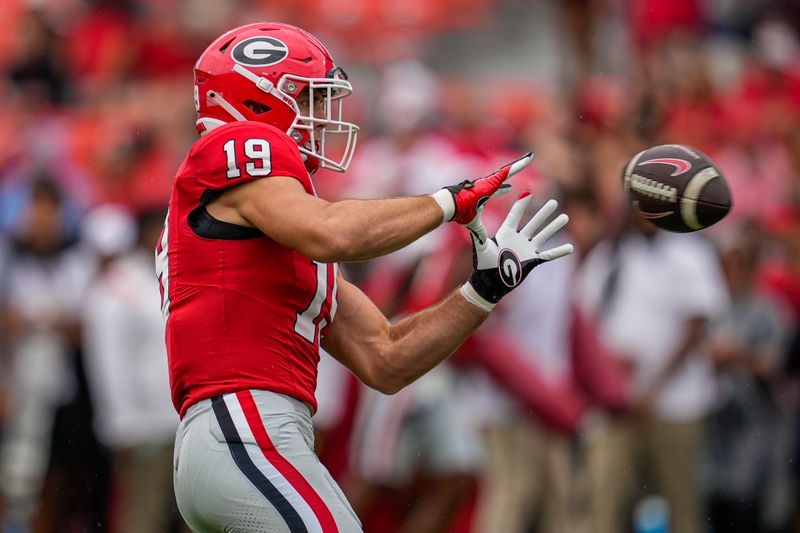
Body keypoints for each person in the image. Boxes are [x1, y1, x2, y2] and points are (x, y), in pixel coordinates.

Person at [158, 22, 574, 532]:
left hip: (247, 434)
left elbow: (386, 358)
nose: (320, 118)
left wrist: (481, 291)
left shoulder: (270, 240)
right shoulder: (234, 147)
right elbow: (333, 232)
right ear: (260, 99)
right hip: (244, 427)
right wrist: (449, 202)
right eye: (309, 99)